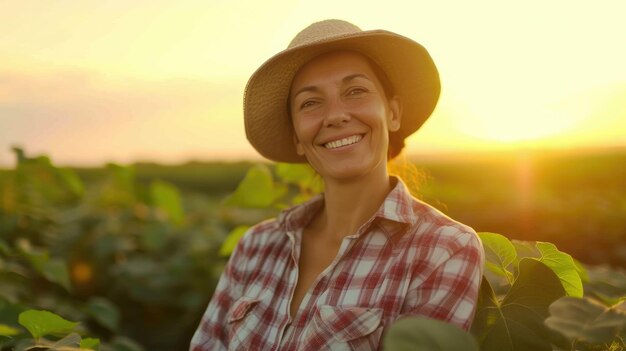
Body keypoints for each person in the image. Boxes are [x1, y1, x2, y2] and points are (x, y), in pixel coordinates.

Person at [190, 19, 484, 351]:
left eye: (355, 91)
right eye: (310, 103)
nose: (335, 115)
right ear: (296, 137)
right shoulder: (255, 247)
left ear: (393, 112)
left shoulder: (444, 249)